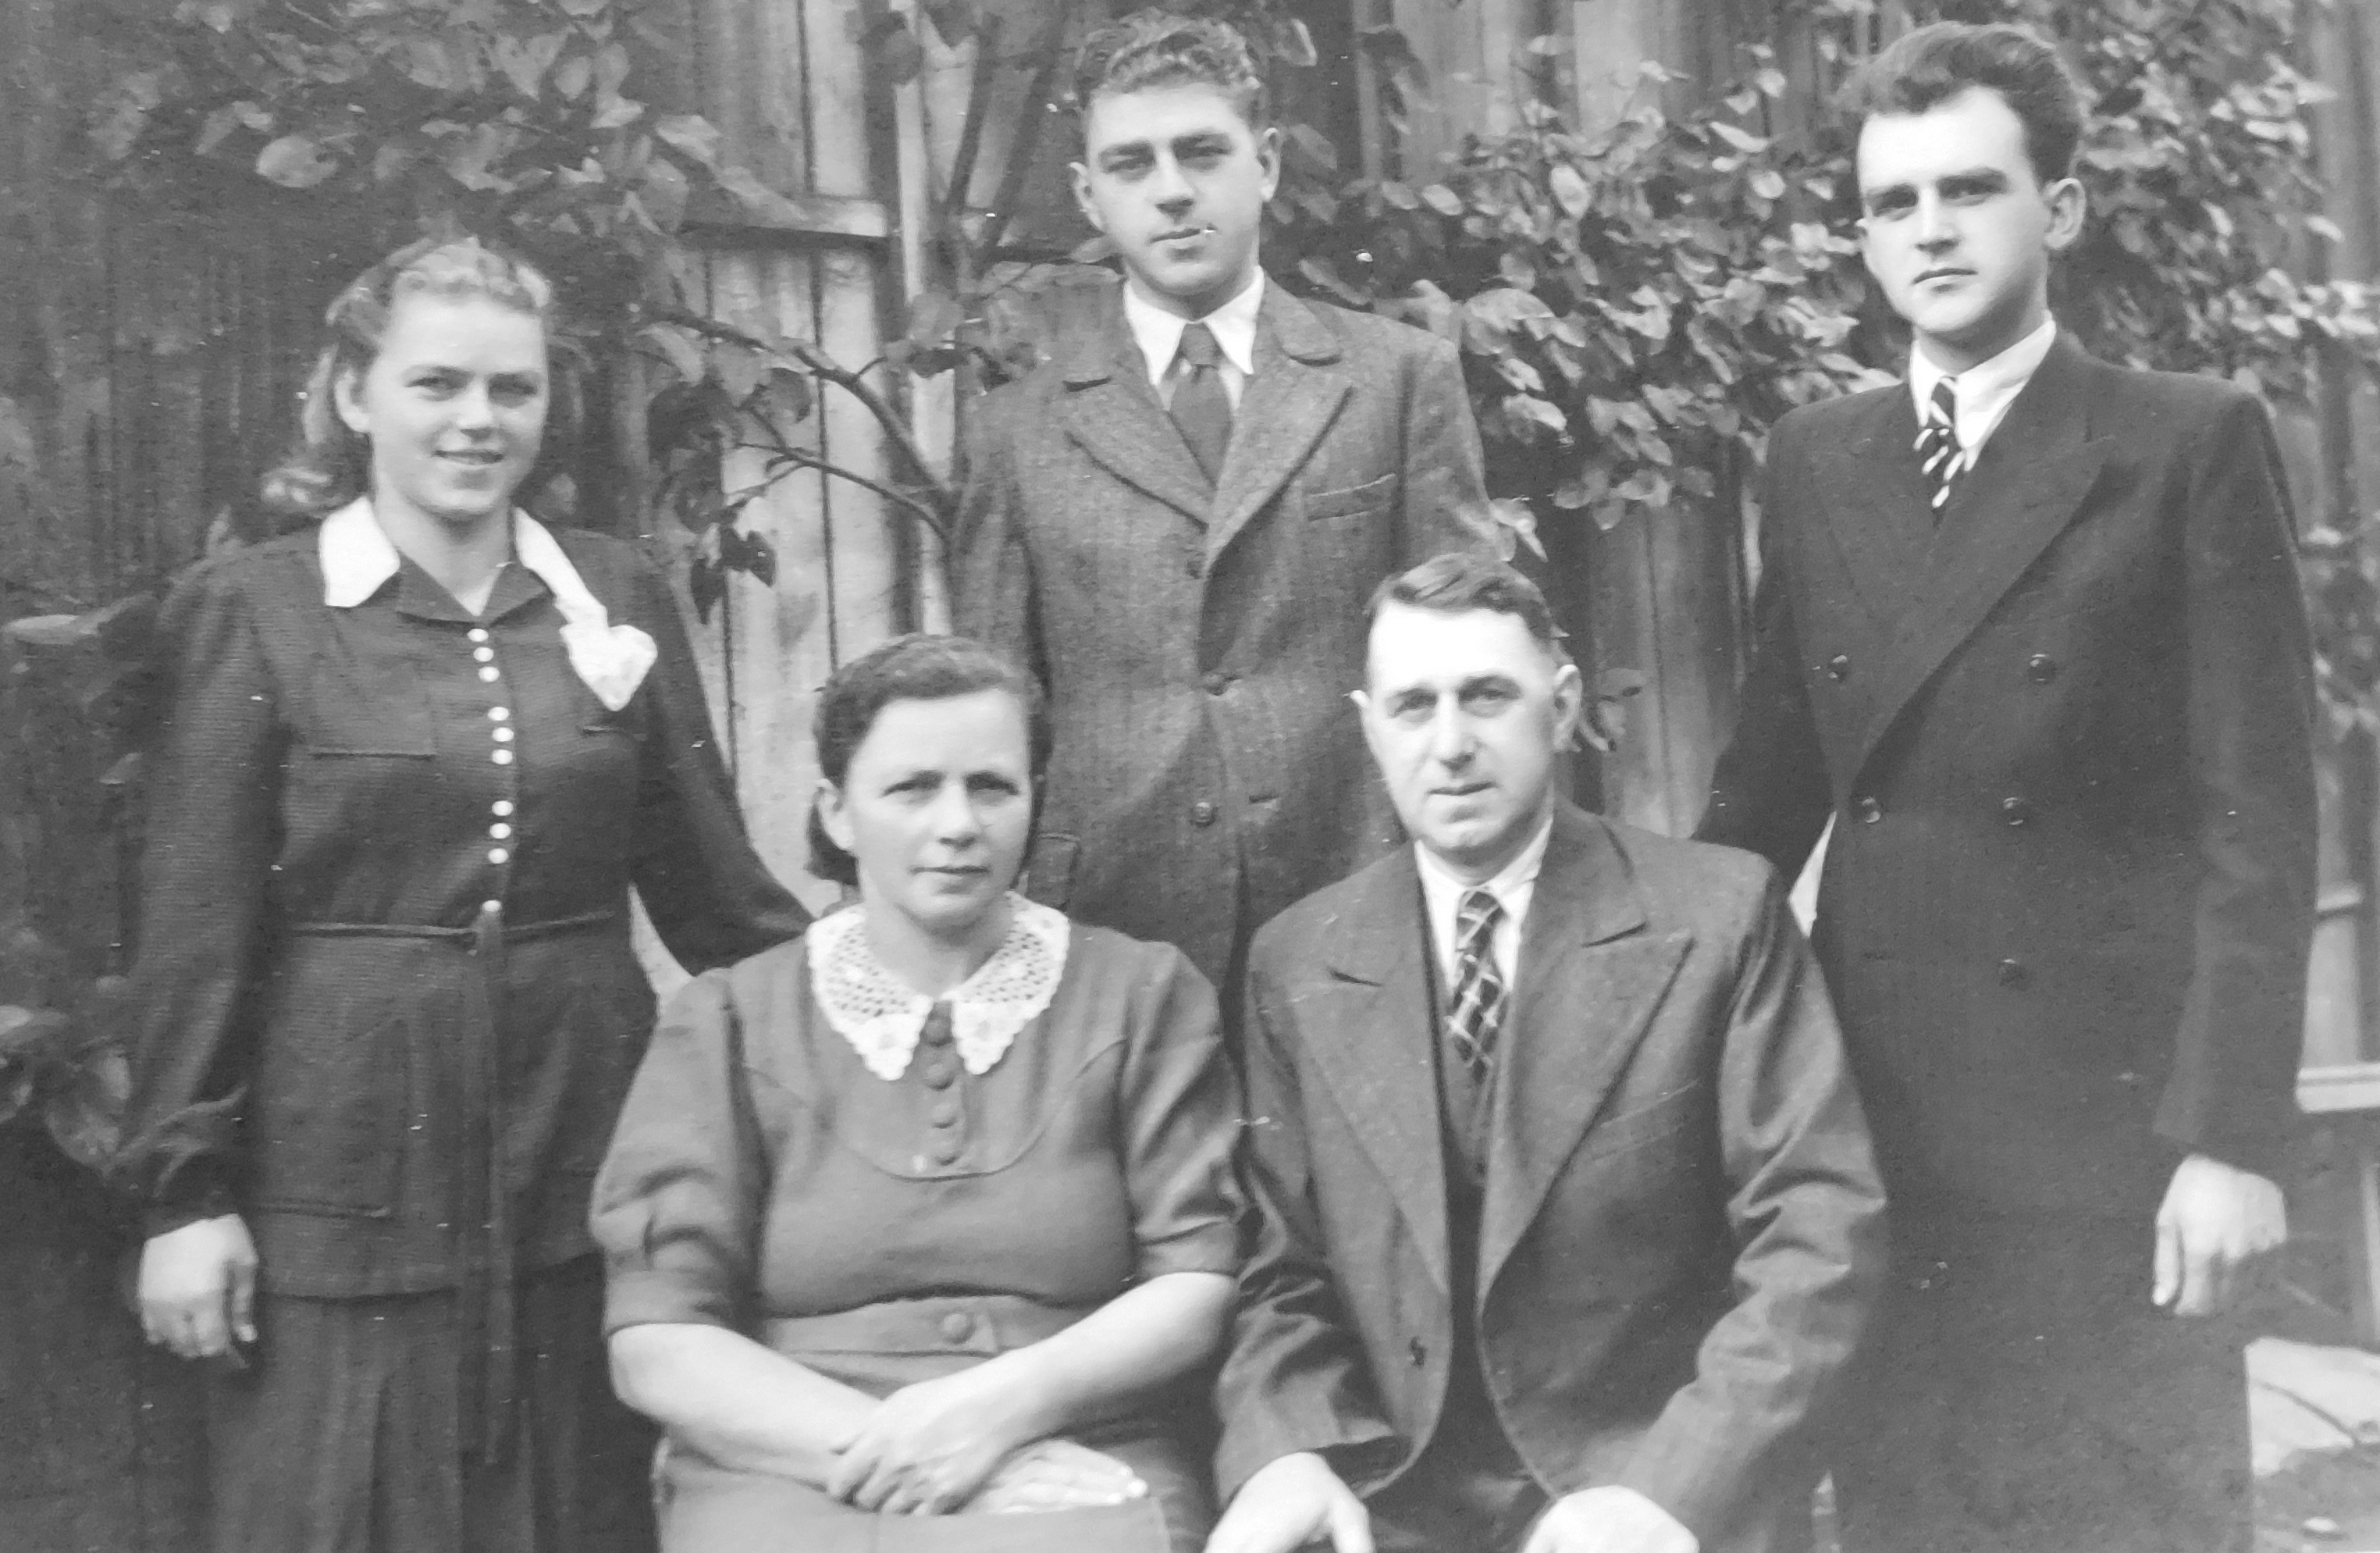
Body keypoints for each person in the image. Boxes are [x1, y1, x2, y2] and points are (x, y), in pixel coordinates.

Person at [1695, 22, 2318, 1553]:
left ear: (2062, 205)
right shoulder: (1814, 459)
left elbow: (2258, 820)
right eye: (1892, 202)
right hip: (1886, 1142)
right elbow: (1759, 802)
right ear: (1861, 237)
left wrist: (2231, 1135)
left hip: (2114, 1152)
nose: (1930, 229)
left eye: (1969, 189)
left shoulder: (2183, 441)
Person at [112, 234, 809, 1553]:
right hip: (342, 1159)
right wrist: (183, 1195)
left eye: (513, 388)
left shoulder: (612, 590)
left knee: (581, 1502)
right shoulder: (254, 607)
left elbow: (718, 892)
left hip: (580, 1133)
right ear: (353, 394)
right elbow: (195, 928)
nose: (478, 419)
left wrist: (896, 1015)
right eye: (437, 383)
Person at [1210, 554, 1886, 1553]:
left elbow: (1817, 1240)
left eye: (1487, 697)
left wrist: (1668, 1492)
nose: (1450, 744)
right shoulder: (1299, 961)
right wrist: (1290, 1453)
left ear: (1562, 707)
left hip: (1647, 1491)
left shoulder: (1718, 916)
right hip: (1394, 1497)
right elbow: (1278, 1271)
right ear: (1368, 729)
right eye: (1412, 706)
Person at [592, 632, 1242, 1553]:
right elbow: (657, 1342)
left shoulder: (1140, 993)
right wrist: (913, 1452)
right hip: (791, 1463)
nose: (958, 824)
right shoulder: (730, 1018)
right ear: (837, 812)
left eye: (992, 787)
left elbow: (1196, 1279)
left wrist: (998, 1414)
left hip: (1077, 1448)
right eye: (912, 788)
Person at [950, 9, 1492, 997]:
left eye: (1202, 152)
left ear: (1267, 163)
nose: (1171, 190)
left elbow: (1471, 661)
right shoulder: (1016, 431)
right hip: (1114, 931)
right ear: (1088, 193)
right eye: (1131, 164)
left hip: (1359, 897)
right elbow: (995, 716)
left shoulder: (1397, 379)